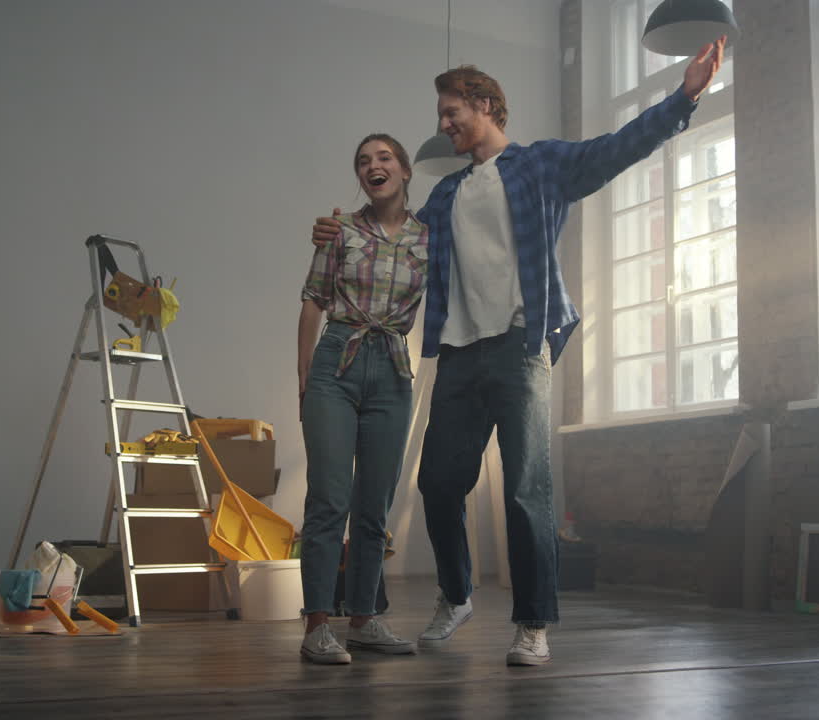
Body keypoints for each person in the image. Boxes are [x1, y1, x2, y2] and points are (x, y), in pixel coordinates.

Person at [311, 39, 726, 666]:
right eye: (441, 115)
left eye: (452, 112)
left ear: (485, 104)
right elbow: (395, 239)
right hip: (458, 354)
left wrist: (684, 96)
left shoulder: (541, 166)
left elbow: (617, 149)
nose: (444, 124)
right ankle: (457, 594)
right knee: (438, 485)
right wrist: (340, 230)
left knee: (527, 489)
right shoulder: (445, 198)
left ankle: (533, 623)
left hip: (520, 346)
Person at [295, 133, 429, 664]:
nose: (373, 166)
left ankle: (365, 621)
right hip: (337, 360)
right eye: (363, 161)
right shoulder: (340, 230)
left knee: (374, 506)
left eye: (384, 158)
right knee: (329, 499)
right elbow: (312, 302)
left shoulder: (428, 238)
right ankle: (316, 627)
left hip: (393, 368)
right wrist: (305, 377)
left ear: (403, 171)